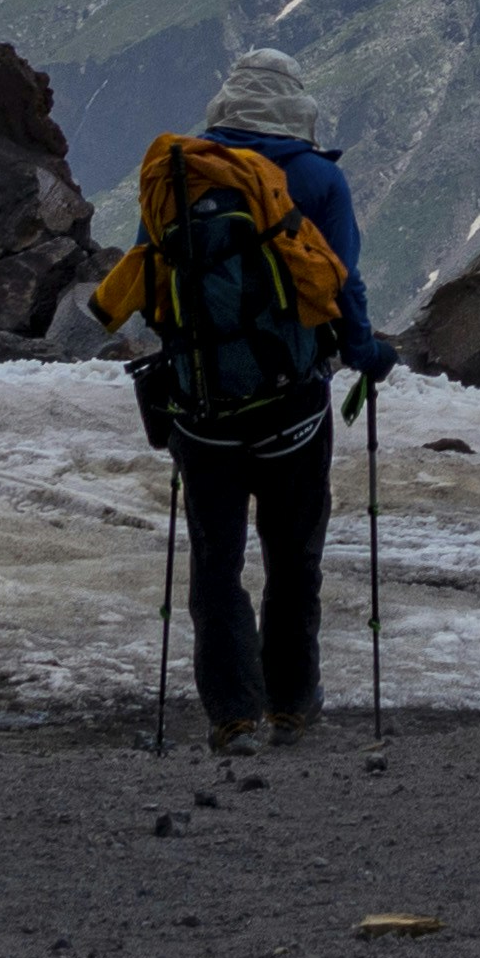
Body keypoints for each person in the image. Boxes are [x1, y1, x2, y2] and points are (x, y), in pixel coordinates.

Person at [95, 48, 399, 754]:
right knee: (292, 558)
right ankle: (290, 704)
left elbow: (147, 278)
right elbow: (341, 284)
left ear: (227, 103)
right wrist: (368, 356)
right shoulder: (318, 179)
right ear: (295, 105)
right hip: (293, 408)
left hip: (201, 411)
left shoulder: (179, 174)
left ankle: (232, 714)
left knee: (215, 562)